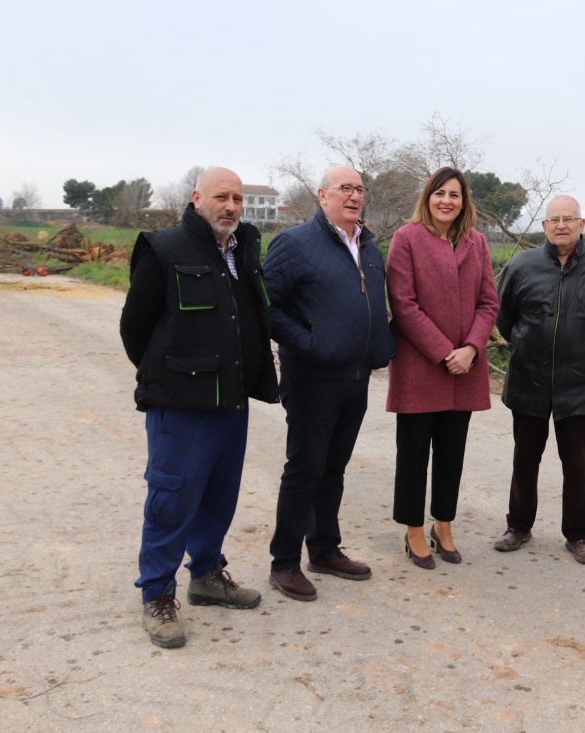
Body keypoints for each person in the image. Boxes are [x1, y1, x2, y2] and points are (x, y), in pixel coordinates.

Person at [119, 167, 279, 648]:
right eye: (220, 197)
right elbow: (135, 328)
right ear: (196, 199)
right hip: (182, 403)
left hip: (231, 400)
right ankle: (157, 594)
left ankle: (207, 574)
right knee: (172, 498)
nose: (230, 206)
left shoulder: (243, 246)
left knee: (219, 493)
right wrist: (171, 376)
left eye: (236, 198)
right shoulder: (164, 247)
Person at [262, 166, 395, 601]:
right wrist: (309, 343)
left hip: (356, 377)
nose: (354, 196)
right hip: (312, 377)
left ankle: (322, 548)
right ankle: (284, 562)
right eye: (344, 189)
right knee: (304, 470)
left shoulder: (369, 246)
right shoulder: (296, 243)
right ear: (322, 195)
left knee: (333, 470)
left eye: (359, 189)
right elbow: (267, 304)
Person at [493, 195, 585, 565]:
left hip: (580, 386)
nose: (561, 225)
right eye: (554, 219)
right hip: (528, 380)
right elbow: (503, 316)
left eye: (568, 218)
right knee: (524, 459)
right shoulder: (521, 266)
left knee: (577, 465)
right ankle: (518, 526)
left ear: (580, 224)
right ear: (544, 226)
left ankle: (578, 536)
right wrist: (525, 344)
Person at [385, 167, 499, 569]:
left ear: (464, 201)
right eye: (440, 193)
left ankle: (443, 525)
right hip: (421, 367)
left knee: (452, 453)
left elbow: (489, 302)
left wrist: (470, 348)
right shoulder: (406, 239)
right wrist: (443, 351)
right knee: (414, 454)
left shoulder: (477, 243)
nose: (447, 201)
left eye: (455, 194)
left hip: (465, 369)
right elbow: (403, 303)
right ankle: (414, 530)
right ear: (427, 198)